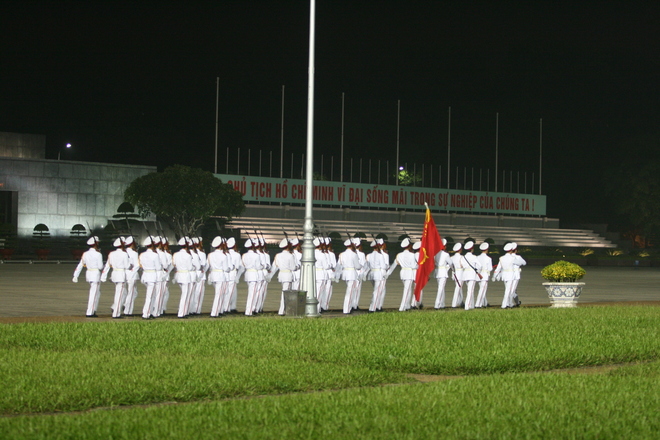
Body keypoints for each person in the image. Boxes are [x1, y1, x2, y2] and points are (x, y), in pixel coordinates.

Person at [72, 236, 103, 317]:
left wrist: (75, 275)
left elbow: (80, 264)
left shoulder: (85, 254)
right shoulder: (98, 254)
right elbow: (100, 266)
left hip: (89, 274)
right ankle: (90, 312)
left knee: (97, 293)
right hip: (95, 275)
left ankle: (93, 310)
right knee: (93, 294)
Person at [101, 237, 130, 318]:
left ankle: (115, 308)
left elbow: (107, 265)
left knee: (122, 293)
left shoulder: (111, 253)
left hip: (114, 274)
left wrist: (103, 276)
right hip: (121, 275)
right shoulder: (124, 254)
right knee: (119, 295)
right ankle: (116, 313)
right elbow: (127, 266)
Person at [269, 238, 299, 315]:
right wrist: (298, 266)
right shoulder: (290, 256)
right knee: (285, 293)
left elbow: (275, 266)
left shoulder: (278, 255)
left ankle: (285, 310)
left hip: (281, 275)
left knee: (286, 292)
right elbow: (293, 267)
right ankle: (282, 310)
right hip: (288, 275)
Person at [387, 238, 417, 312]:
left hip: (402, 272)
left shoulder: (399, 255)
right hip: (409, 273)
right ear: (409, 246)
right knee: (406, 291)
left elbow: (394, 265)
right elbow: (414, 266)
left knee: (408, 290)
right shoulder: (412, 255)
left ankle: (407, 306)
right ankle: (402, 307)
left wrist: (387, 274)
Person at [493, 242, 527, 308]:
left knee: (508, 290)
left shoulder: (501, 258)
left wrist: (495, 276)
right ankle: (505, 304)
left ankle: (509, 303)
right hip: (511, 275)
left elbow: (498, 268)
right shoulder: (512, 258)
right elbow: (521, 263)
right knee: (509, 290)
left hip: (504, 275)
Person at [208, 237, 233, 317]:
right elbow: (226, 268)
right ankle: (214, 313)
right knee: (219, 295)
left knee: (219, 294)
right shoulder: (223, 256)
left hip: (213, 275)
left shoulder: (210, 255)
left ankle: (219, 310)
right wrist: (231, 268)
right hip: (220, 276)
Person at [139, 236, 162, 320]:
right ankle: (146, 314)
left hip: (145, 276)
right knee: (150, 296)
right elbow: (158, 267)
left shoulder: (142, 254)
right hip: (152, 277)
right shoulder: (155, 255)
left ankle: (150, 312)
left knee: (151, 295)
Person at [338, 238, 363, 314]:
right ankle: (347, 309)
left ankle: (348, 307)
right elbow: (357, 266)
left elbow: (339, 265)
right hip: (352, 274)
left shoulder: (342, 254)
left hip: (345, 274)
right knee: (350, 293)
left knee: (350, 291)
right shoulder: (354, 254)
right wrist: (360, 266)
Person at [173, 237, 195, 318]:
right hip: (186, 276)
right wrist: (194, 267)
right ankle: (181, 313)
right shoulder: (188, 256)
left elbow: (174, 264)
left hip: (179, 276)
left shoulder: (175, 254)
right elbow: (190, 268)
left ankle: (184, 312)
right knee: (185, 295)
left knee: (184, 295)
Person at [366, 239, 388, 312]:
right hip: (379, 274)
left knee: (376, 291)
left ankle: (375, 306)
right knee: (377, 291)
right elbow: (384, 266)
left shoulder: (369, 255)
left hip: (372, 273)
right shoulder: (380, 256)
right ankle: (373, 308)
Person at [242, 238, 263, 316]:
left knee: (251, 293)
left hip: (248, 274)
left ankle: (251, 308)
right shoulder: (256, 256)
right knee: (252, 294)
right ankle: (249, 311)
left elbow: (244, 264)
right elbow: (258, 267)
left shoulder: (244, 255)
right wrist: (262, 266)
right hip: (254, 275)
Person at [460, 241, 481, 310]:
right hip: (472, 275)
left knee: (469, 290)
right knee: (470, 291)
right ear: (472, 249)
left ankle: (471, 305)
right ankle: (467, 306)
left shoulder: (463, 257)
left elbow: (462, 266)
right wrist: (477, 271)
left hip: (465, 274)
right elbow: (479, 265)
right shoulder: (474, 257)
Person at [122, 236, 140, 316]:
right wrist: (132, 273)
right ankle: (127, 310)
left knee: (134, 293)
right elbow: (137, 265)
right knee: (132, 293)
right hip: (131, 275)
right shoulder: (134, 253)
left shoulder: (123, 252)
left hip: (124, 274)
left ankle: (124, 304)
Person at [433, 238, 452, 309]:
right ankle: (437, 304)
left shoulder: (435, 253)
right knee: (441, 289)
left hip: (437, 272)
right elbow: (451, 263)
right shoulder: (445, 254)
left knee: (441, 288)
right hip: (443, 272)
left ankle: (442, 304)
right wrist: (452, 269)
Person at [475, 242, 493, 308]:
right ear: (487, 249)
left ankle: (485, 303)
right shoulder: (488, 258)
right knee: (482, 290)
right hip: (484, 275)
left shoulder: (477, 257)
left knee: (482, 289)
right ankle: (478, 304)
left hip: (478, 275)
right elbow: (490, 268)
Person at [450, 243, 464, 308]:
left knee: (459, 288)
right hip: (461, 273)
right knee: (458, 288)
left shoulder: (452, 257)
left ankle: (461, 302)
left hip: (455, 273)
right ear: (460, 249)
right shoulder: (461, 257)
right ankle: (454, 303)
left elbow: (450, 265)